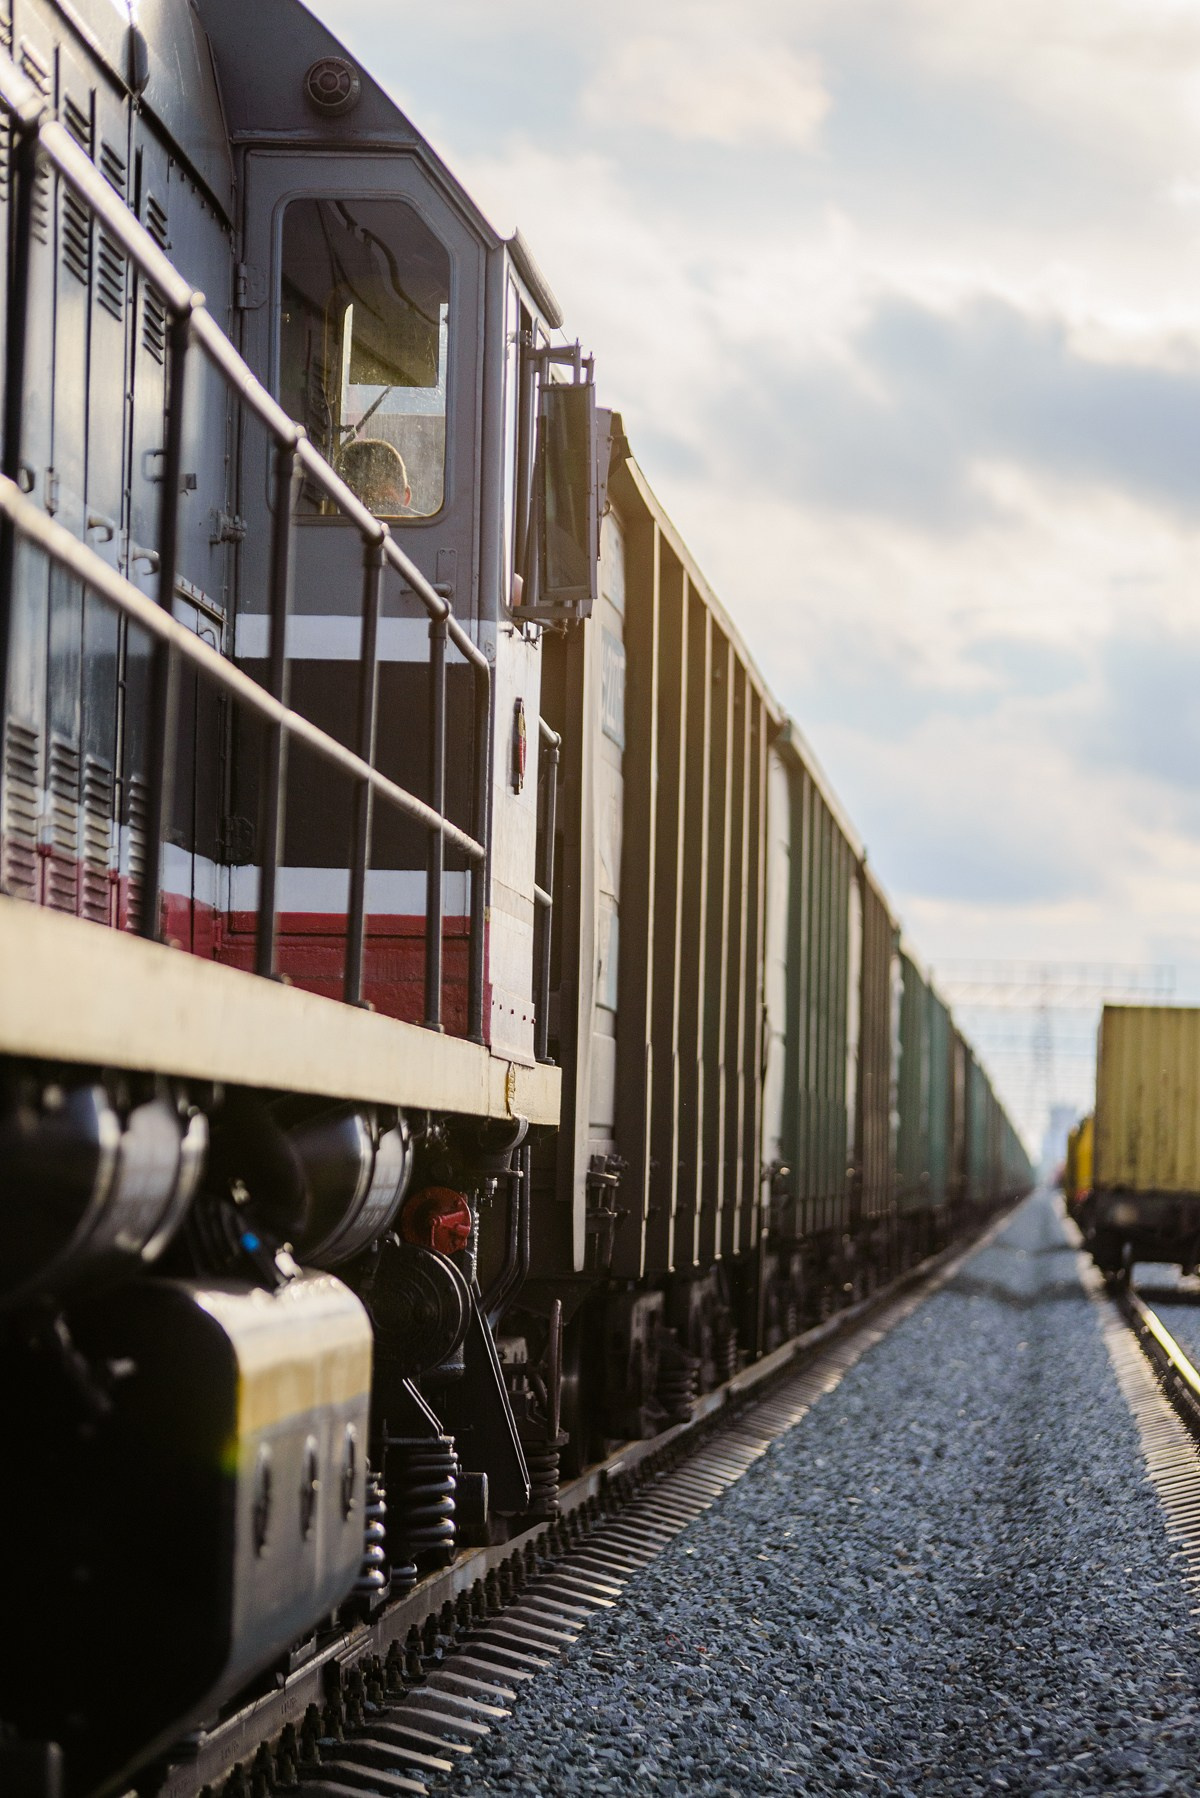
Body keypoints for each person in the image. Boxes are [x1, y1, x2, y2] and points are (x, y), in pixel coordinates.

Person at [338, 436, 412, 516]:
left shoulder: (329, 523)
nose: (374, 514)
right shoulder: (420, 523)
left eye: (386, 504)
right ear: (406, 497)